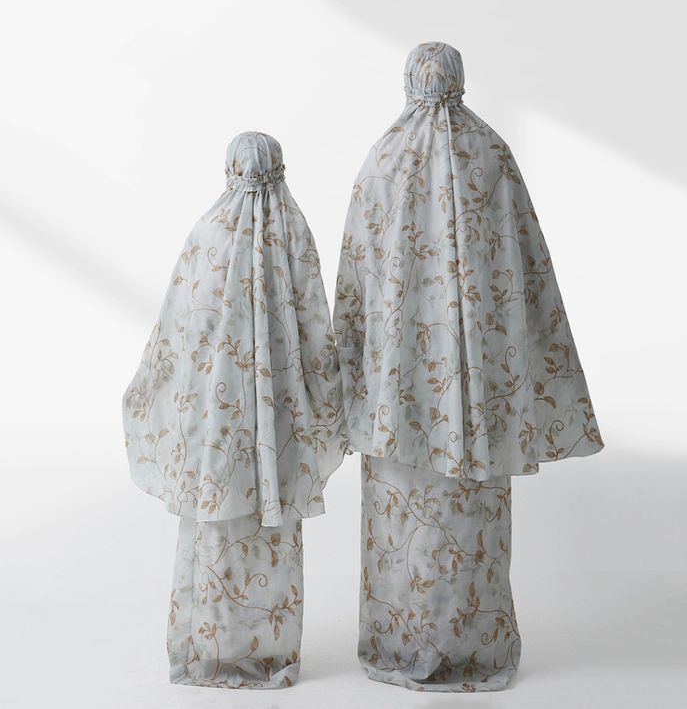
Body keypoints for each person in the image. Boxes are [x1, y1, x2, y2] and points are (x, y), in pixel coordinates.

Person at [334, 42, 604, 691]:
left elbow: (357, 277)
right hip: (480, 382)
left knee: (403, 513)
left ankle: (398, 642)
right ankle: (475, 646)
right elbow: (526, 270)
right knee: (468, 515)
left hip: (400, 384)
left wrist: (350, 371)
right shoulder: (491, 154)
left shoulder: (384, 159)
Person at [123, 131, 347, 688]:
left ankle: (212, 645)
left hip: (214, 424)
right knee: (270, 528)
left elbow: (181, 327)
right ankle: (268, 648)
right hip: (281, 422)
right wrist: (329, 405)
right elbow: (316, 332)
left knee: (217, 523)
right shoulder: (294, 232)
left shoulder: (209, 231)